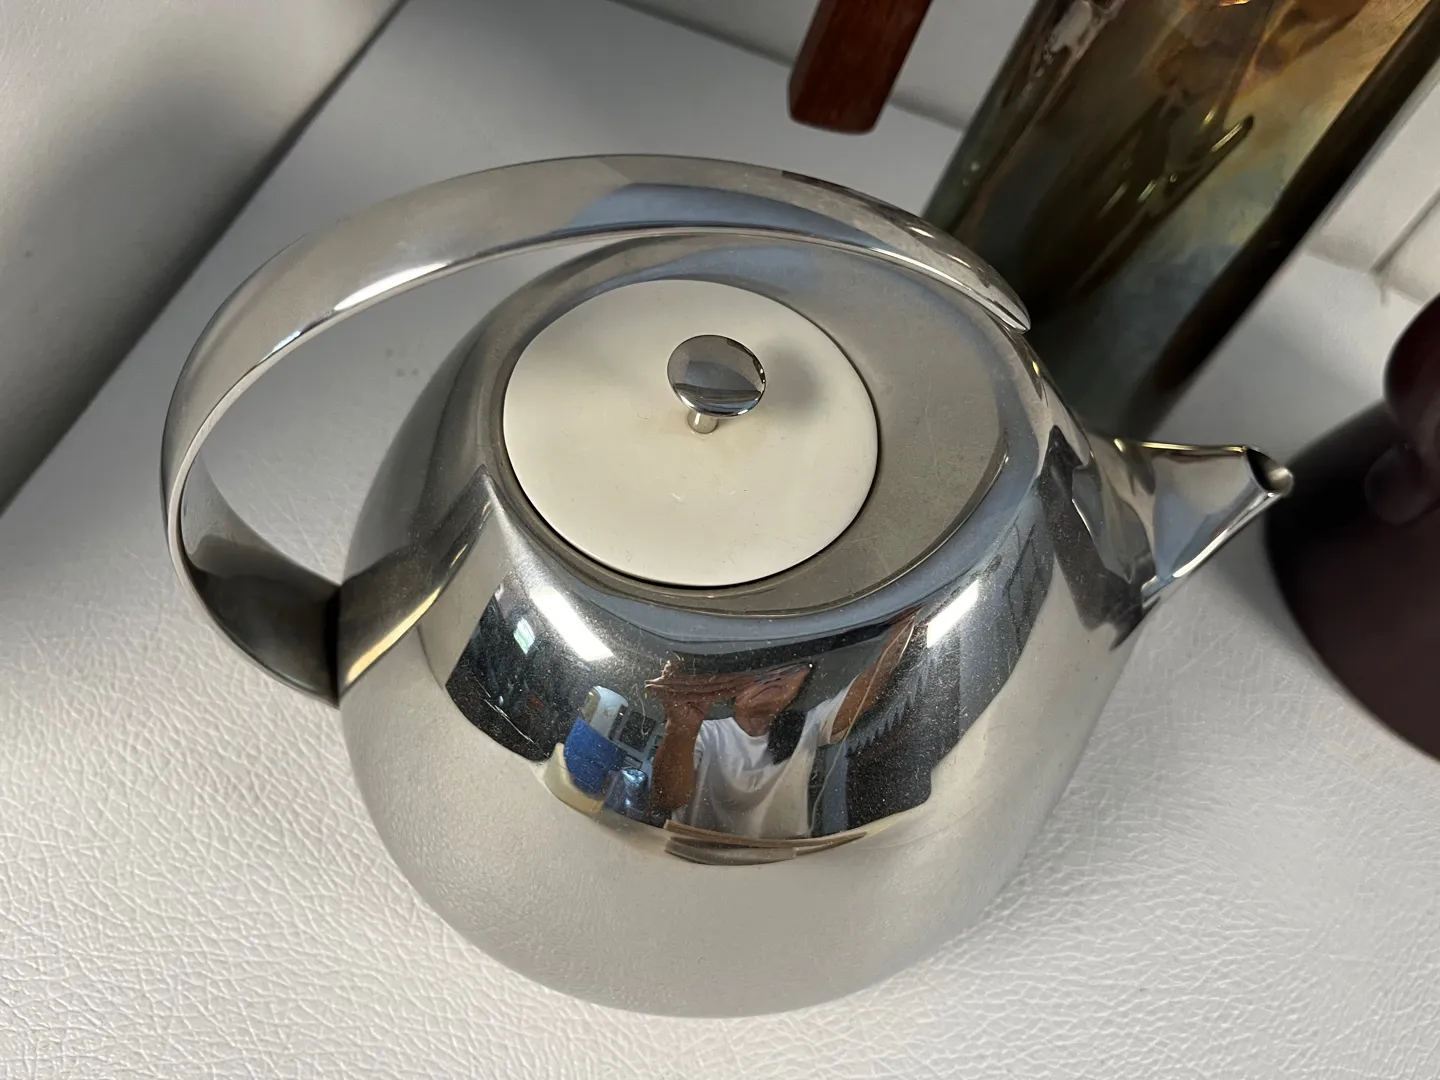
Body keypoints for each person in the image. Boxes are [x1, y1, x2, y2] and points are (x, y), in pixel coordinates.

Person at [646, 618, 914, 839]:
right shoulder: (704, 733)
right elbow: (667, 799)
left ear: (803, 683)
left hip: (789, 860)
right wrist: (680, 728)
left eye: (791, 669)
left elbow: (869, 686)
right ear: (729, 688)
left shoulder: (808, 726)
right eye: (760, 671)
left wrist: (904, 622)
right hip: (697, 858)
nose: (774, 676)